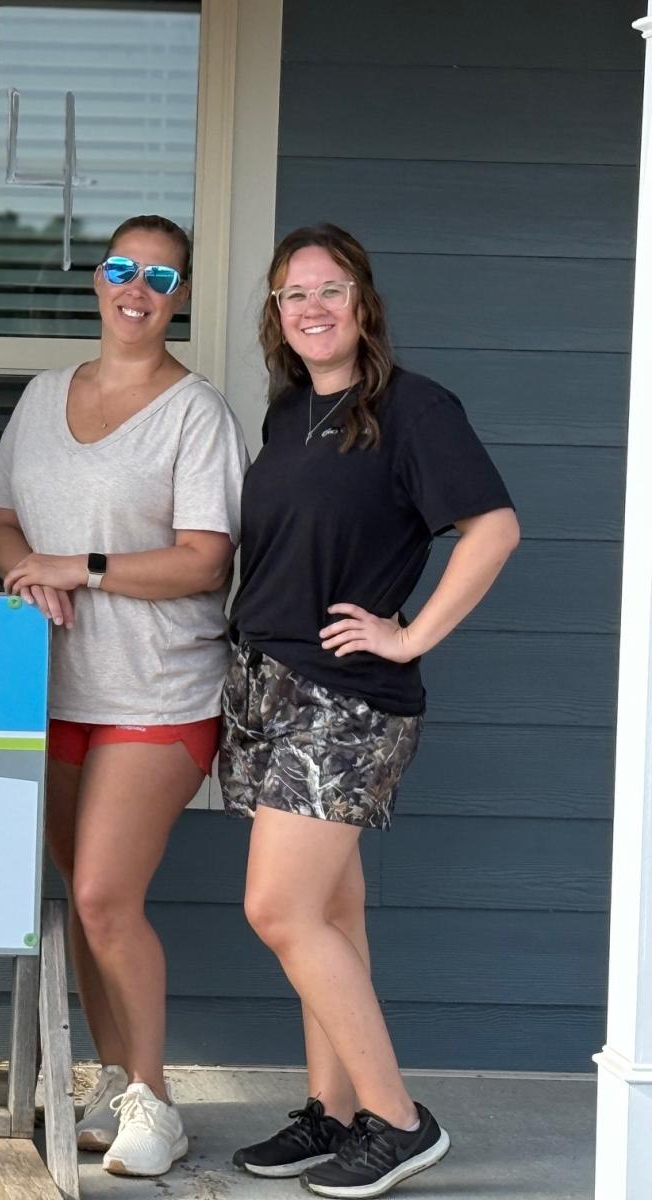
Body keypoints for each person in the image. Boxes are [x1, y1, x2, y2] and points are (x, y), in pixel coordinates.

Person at [221, 224, 519, 1198]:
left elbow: (493, 526)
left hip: (344, 697)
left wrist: (411, 631)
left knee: (277, 907)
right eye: (292, 294)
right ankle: (334, 1112)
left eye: (330, 289)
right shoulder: (289, 415)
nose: (311, 307)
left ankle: (397, 1119)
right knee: (330, 915)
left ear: (363, 303)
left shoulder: (412, 409)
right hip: (267, 685)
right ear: (275, 313)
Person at [0, 215, 248, 1178]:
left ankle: (156, 1098)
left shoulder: (195, 413)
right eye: (123, 269)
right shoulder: (46, 394)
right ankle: (110, 1080)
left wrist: (79, 567)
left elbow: (203, 559)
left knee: (102, 894)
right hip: (53, 691)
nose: (138, 288)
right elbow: (1, 519)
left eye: (162, 276)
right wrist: (24, 573)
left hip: (159, 689)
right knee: (78, 898)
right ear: (97, 279)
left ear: (180, 297)